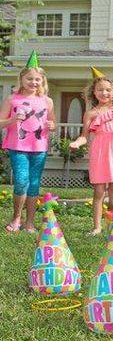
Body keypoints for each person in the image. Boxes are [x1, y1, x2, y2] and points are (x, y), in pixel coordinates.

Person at [70, 68, 113, 235]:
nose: (104, 93)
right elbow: (84, 136)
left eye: (108, 90)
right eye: (100, 90)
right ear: (94, 92)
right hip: (100, 152)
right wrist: (77, 143)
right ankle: (97, 227)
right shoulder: (90, 114)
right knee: (99, 190)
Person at [0, 51, 56, 233]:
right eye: (30, 79)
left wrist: (51, 124)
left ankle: (30, 222)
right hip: (18, 147)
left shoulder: (47, 101)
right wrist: (12, 120)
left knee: (34, 183)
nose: (33, 82)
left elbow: (53, 123)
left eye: (37, 79)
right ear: (21, 79)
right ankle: (17, 217)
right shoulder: (12, 99)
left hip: (39, 147)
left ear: (42, 81)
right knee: (21, 181)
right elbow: (1, 122)